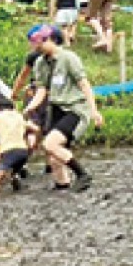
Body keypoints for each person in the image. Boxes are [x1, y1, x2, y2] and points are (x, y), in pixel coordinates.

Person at [24, 24, 101, 190]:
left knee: (50, 144)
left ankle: (82, 174)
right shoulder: (40, 63)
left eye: (39, 42)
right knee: (54, 160)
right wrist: (30, 108)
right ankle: (64, 192)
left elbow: (84, 84)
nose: (36, 46)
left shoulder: (68, 58)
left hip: (74, 109)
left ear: (51, 39)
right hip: (56, 109)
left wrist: (94, 110)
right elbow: (42, 89)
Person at [0, 93, 36, 192]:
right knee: (12, 174)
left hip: (9, 151)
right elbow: (33, 129)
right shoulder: (18, 116)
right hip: (23, 152)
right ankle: (15, 179)